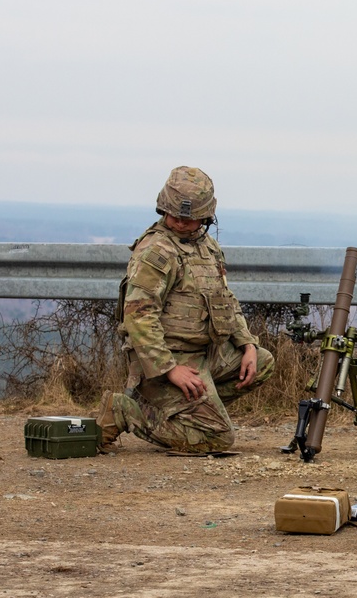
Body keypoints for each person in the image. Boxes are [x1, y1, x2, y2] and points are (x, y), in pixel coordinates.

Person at [96, 166, 275, 454]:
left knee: (262, 362)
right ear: (163, 208)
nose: (180, 223)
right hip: (169, 361)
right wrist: (169, 370)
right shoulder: (157, 251)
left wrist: (247, 343)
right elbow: (139, 315)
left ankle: (190, 414)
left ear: (205, 216)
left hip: (206, 354)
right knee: (217, 439)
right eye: (175, 215)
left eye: (189, 218)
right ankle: (126, 411)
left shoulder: (208, 248)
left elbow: (225, 299)